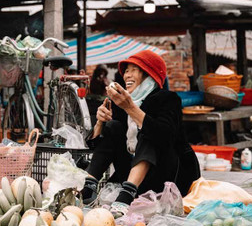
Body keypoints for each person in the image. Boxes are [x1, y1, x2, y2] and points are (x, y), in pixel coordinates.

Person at [80, 50, 200, 215]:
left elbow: (164, 136)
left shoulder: (168, 99)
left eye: (133, 70)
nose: (127, 75)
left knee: (148, 128)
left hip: (168, 176)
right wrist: (100, 123)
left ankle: (126, 194)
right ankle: (89, 188)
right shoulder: (122, 102)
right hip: (134, 175)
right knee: (113, 126)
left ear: (148, 73)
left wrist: (131, 108)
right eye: (126, 71)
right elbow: (98, 146)